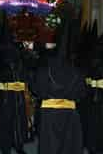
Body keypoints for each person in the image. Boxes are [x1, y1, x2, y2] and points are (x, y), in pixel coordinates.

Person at [32, 15, 86, 154]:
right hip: (69, 113)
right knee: (68, 144)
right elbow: (81, 94)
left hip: (49, 113)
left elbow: (36, 90)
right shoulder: (76, 71)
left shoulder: (44, 70)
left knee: (49, 144)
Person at [0, 17, 28, 154]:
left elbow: (24, 69)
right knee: (5, 121)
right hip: (5, 95)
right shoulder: (0, 56)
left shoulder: (17, 53)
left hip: (17, 94)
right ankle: (5, 146)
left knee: (18, 120)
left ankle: (18, 145)